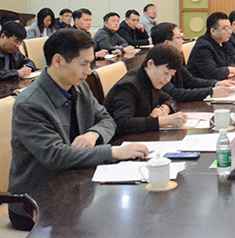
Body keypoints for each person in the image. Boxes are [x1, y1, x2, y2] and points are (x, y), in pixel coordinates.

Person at [8, 29, 148, 231]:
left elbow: (106, 119)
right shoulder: (30, 104)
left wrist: (94, 134)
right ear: (58, 61)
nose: (89, 71)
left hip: (76, 187)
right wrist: (113, 152)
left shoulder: (78, 87)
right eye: (83, 64)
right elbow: (55, 156)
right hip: (36, 202)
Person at [103, 44, 188, 138]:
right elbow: (122, 123)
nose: (167, 79)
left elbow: (169, 99)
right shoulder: (129, 86)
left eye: (171, 75)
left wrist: (163, 109)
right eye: (166, 73)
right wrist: (162, 121)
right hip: (120, 141)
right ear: (150, 64)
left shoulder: (150, 80)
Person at [151, 22, 235, 102]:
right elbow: (174, 94)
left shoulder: (174, 59)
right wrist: (211, 92)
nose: (182, 41)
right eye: (178, 38)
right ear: (166, 43)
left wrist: (217, 84)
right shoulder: (157, 64)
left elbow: (191, 81)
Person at [186, 12, 235, 81]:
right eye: (225, 29)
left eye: (230, 28)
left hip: (218, 82)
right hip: (202, 85)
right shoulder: (203, 47)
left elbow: (230, 61)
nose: (230, 32)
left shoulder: (223, 42)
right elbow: (213, 73)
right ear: (213, 31)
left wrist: (231, 69)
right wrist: (228, 70)